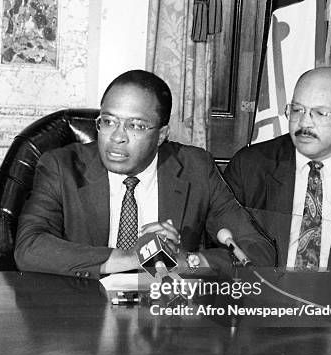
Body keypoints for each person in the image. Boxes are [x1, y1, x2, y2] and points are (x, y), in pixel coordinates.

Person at [14, 70, 275, 278]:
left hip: (164, 319)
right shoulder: (62, 166)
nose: (116, 137)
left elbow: (258, 251)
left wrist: (186, 261)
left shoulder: (195, 168)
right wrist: (141, 257)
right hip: (83, 314)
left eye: (136, 125)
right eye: (108, 121)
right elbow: (30, 247)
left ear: (161, 134)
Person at [224, 66, 331, 270]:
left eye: (320, 113)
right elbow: (224, 248)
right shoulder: (250, 166)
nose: (304, 123)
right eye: (297, 110)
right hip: (265, 297)